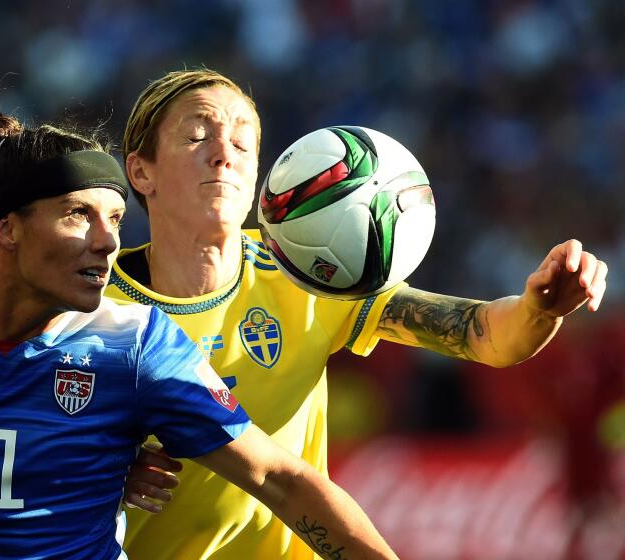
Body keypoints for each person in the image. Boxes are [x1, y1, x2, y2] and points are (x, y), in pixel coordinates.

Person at [0, 111, 400, 560]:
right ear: (9, 228)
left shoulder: (136, 345)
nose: (107, 241)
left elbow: (278, 479)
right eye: (79, 215)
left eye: (114, 218)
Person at [106, 68, 609, 560]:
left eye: (242, 145)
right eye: (197, 136)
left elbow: (485, 337)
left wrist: (537, 310)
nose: (222, 155)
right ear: (140, 172)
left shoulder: (307, 270)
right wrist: (98, 462)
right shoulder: (93, 310)